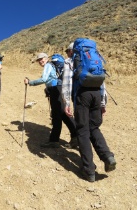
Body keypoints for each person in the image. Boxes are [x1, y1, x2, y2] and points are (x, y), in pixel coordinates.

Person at [62, 41, 116, 183]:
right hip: (96, 95)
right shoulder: (94, 58)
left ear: (71, 51)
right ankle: (107, 156)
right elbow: (101, 81)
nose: (67, 53)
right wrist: (103, 103)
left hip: (82, 95)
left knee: (82, 131)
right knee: (94, 127)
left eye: (67, 51)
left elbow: (67, 83)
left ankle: (89, 170)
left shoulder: (70, 61)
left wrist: (66, 102)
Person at [24, 52, 77, 148]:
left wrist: (30, 82)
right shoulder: (52, 65)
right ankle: (75, 137)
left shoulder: (48, 65)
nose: (40, 61)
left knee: (58, 115)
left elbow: (44, 79)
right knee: (63, 114)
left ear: (46, 58)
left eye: (42, 59)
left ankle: (55, 140)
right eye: (39, 60)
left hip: (56, 90)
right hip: (58, 89)